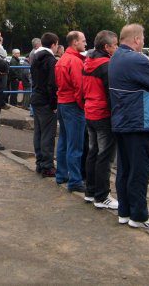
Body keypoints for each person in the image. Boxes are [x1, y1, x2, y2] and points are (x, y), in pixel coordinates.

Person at [109, 24, 149, 229]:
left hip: (123, 121)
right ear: (135, 40)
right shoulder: (135, 59)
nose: (143, 43)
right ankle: (139, 216)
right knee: (139, 171)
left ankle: (125, 212)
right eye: (142, 39)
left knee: (124, 169)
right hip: (138, 123)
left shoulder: (115, 58)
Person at [82, 30, 119, 210]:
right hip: (102, 114)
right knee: (104, 155)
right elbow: (111, 94)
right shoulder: (106, 65)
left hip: (90, 111)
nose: (117, 48)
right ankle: (102, 195)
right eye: (115, 45)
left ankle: (90, 191)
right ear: (106, 47)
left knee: (93, 152)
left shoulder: (88, 61)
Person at [55, 31, 87, 193]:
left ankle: (61, 174)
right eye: (83, 41)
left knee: (63, 141)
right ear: (75, 42)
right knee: (75, 145)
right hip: (73, 105)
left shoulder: (63, 59)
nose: (85, 43)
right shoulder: (75, 61)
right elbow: (79, 87)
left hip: (62, 103)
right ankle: (75, 180)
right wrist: (82, 105)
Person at [30, 32, 59, 177]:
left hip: (35, 98)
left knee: (39, 132)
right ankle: (47, 166)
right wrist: (54, 104)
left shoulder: (35, 57)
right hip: (46, 101)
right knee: (48, 134)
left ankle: (39, 162)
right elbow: (52, 85)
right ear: (53, 45)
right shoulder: (50, 60)